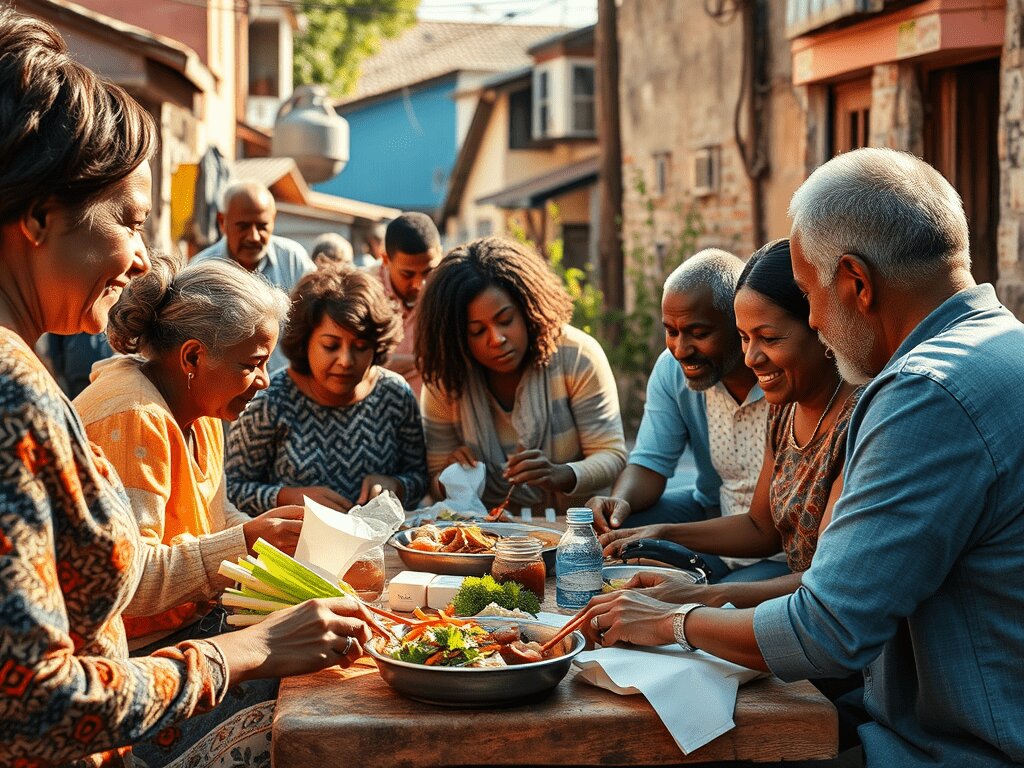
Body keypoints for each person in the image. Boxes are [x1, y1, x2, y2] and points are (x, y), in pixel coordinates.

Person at [0, 11, 371, 766]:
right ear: (39, 217)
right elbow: (37, 706)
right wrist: (249, 650)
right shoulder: (19, 398)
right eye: (128, 223)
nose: (141, 257)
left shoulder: (34, 379)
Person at [580, 148, 1024, 767]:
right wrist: (689, 599)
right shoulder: (1002, 343)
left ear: (856, 283)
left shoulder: (923, 393)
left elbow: (828, 630)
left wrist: (668, 622)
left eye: (811, 295)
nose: (816, 319)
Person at [600, 239, 862, 597]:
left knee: (693, 602)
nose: (753, 358)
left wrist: (705, 597)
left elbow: (832, 580)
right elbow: (759, 525)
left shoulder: (846, 410)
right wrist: (654, 528)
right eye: (745, 338)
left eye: (767, 337)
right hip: (727, 523)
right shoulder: (786, 407)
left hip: (801, 581)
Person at [74, 252, 304, 651]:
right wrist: (246, 541)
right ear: (193, 357)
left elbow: (213, 514)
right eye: (253, 364)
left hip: (185, 627)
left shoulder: (204, 409)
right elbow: (131, 580)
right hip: (131, 653)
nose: (265, 381)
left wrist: (266, 538)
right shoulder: (133, 417)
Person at [587, 249, 780, 581]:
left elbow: (766, 527)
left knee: (709, 607)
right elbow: (650, 463)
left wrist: (666, 535)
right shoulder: (673, 370)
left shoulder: (781, 379)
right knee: (606, 535)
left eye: (698, 333)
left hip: (775, 543)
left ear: (739, 323)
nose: (680, 348)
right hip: (711, 512)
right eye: (671, 331)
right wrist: (618, 503)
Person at [417, 236, 627, 511]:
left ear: (529, 310)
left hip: (575, 532)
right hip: (484, 536)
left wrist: (561, 474)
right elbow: (434, 483)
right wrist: (451, 475)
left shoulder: (576, 356)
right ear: (455, 336)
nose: (497, 338)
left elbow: (611, 454)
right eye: (477, 331)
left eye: (506, 320)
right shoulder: (446, 377)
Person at [227, 266, 428, 515]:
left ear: (377, 347)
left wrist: (396, 485)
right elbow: (230, 489)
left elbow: (420, 477)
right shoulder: (269, 401)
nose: (346, 360)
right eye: (331, 346)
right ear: (305, 342)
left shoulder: (395, 394)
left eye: (360, 346)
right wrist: (286, 497)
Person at [192, 180, 315, 373]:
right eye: (243, 226)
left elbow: (315, 318)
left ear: (273, 221)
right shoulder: (202, 270)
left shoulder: (293, 259)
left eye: (262, 226)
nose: (254, 237)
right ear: (223, 222)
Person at [368, 212, 442, 398]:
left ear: (440, 253)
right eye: (408, 275)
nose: (420, 284)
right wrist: (424, 363)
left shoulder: (451, 287)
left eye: (428, 271)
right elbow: (359, 363)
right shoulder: (362, 291)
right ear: (385, 259)